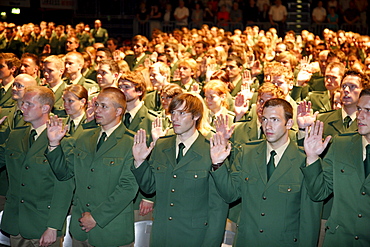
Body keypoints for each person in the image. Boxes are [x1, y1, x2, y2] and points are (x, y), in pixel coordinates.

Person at [210, 98, 322, 246]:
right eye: (264, 119)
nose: (268, 126)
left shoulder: (305, 160)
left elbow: (309, 219)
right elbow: (230, 194)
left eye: (275, 120)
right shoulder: (247, 153)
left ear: (289, 123)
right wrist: (218, 164)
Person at [131, 93, 228, 246]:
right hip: (162, 235)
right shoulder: (162, 145)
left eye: (181, 113)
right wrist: (140, 161)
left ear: (196, 116)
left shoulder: (211, 150)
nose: (174, 118)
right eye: (173, 113)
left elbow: (218, 207)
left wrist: (211, 243)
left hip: (194, 237)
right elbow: (149, 188)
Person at [46, 87, 138, 246]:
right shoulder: (84, 137)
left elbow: (128, 188)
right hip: (80, 228)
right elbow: (66, 174)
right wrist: (54, 145)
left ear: (118, 111)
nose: (97, 110)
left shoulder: (131, 142)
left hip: (111, 230)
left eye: (104, 106)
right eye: (96, 105)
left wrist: (96, 217)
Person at [0, 86, 74, 247]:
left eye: (28, 104)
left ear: (45, 108)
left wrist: (53, 226)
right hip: (16, 221)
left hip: (43, 223)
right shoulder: (15, 135)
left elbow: (65, 186)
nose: (22, 108)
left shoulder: (63, 140)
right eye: (22, 103)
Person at [302, 88, 370, 246]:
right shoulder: (341, 144)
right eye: (359, 109)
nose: (360, 116)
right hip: (339, 239)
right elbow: (319, 192)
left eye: (368, 110)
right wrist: (312, 158)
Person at [0, 74, 37, 211]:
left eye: (19, 86)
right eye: (14, 84)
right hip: (2, 182)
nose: (14, 88)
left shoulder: (37, 117)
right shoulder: (3, 111)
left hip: (25, 185)